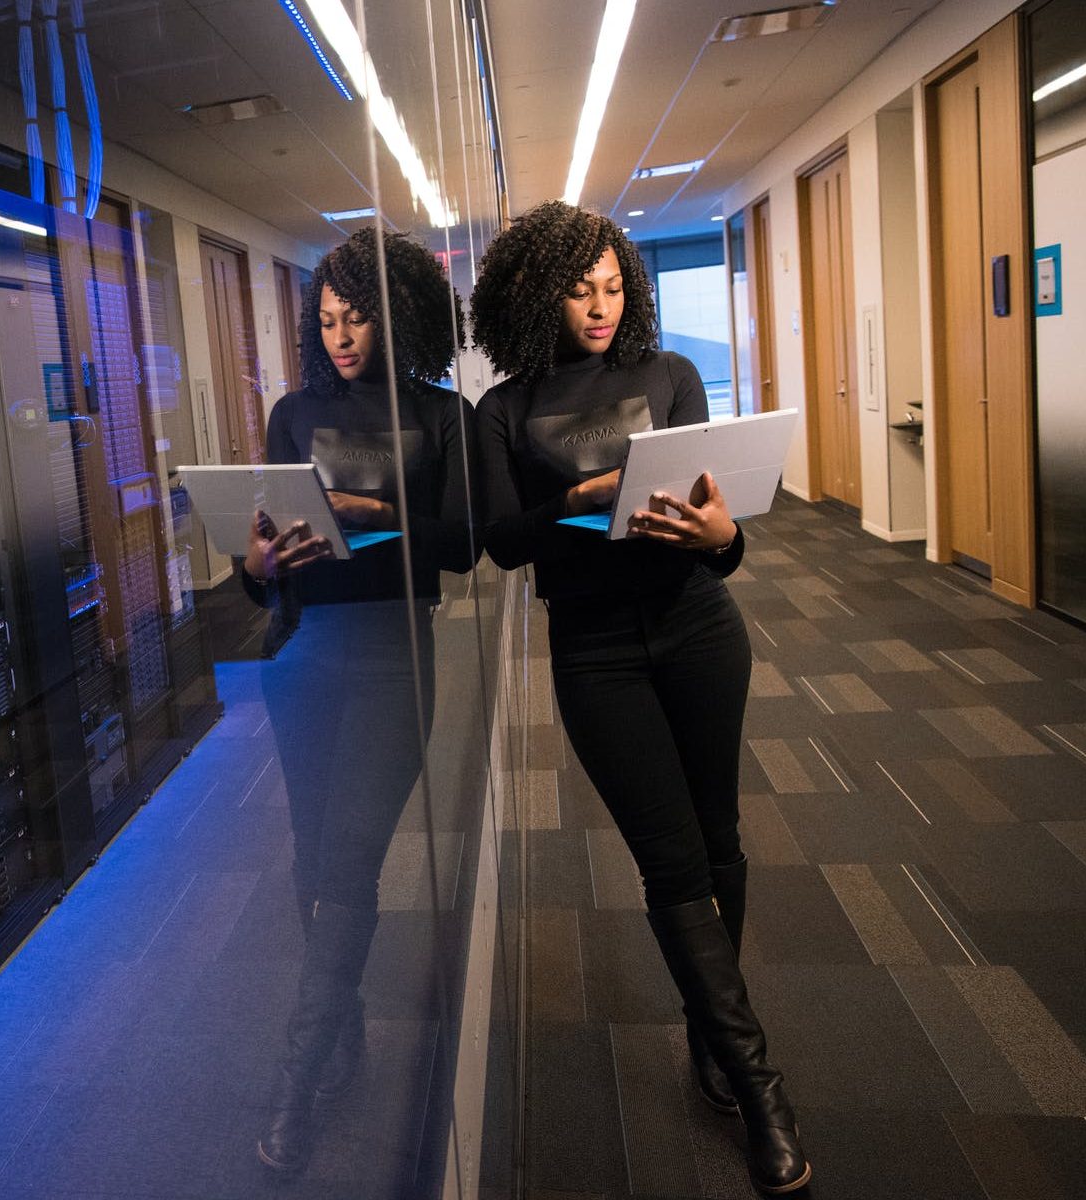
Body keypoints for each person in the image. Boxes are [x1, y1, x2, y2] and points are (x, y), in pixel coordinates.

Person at [468, 201, 809, 1195]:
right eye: (579, 291)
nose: (601, 307)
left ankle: (712, 1032)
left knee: (717, 839)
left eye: (614, 287)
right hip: (594, 648)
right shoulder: (504, 409)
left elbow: (719, 522)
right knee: (667, 861)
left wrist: (724, 540)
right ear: (536, 295)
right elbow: (499, 539)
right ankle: (756, 1087)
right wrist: (573, 502)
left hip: (698, 625)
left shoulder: (669, 377)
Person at [239, 227, 474, 1175]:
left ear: (398, 311)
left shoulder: (440, 414)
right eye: (327, 320)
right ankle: (343, 1032)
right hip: (305, 655)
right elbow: (262, 569)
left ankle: (297, 1082)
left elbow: (462, 547)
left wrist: (376, 515)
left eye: (358, 316)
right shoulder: (292, 413)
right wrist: (257, 564)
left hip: (393, 660)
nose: (340, 336)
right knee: (310, 863)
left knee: (349, 863)